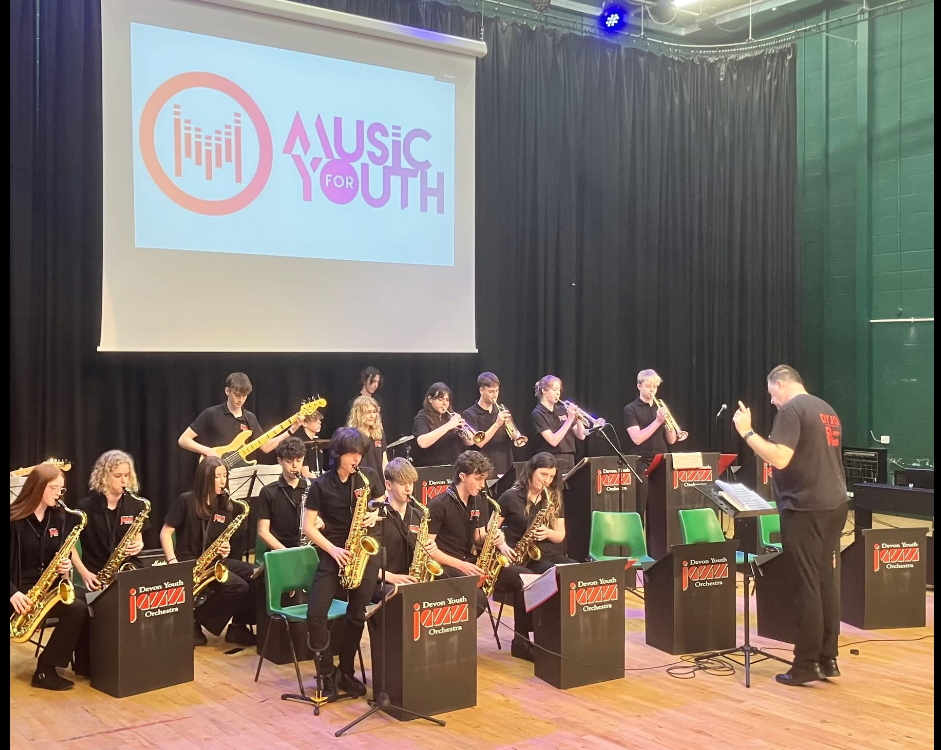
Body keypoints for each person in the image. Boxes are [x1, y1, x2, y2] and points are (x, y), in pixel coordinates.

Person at [733, 365, 849, 687]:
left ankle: (806, 664)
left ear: (781, 384)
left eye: (772, 394)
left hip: (805, 506)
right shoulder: (826, 409)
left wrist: (747, 432)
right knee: (824, 580)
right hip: (835, 504)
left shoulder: (792, 410)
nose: (772, 401)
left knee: (807, 584)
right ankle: (827, 658)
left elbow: (780, 458)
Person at [303, 427, 385, 700]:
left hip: (363, 553)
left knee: (357, 615)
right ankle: (326, 672)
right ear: (338, 454)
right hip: (334, 552)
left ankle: (346, 671)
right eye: (351, 453)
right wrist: (333, 549)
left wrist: (375, 515)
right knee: (316, 613)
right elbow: (308, 526)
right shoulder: (321, 485)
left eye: (359, 453)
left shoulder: (367, 477)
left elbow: (380, 503)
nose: (356, 458)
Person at [426, 451, 532, 661]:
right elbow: (429, 550)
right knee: (479, 599)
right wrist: (461, 565)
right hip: (445, 567)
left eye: (484, 479)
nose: (483, 485)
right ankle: (448, 649)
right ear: (462, 476)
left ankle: (521, 643)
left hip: (470, 562)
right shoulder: (438, 504)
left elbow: (477, 536)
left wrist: (493, 535)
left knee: (524, 578)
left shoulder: (478, 500)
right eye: (478, 479)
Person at [160, 458, 257, 647]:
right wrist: (172, 562)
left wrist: (225, 548)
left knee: (256, 573)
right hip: (189, 561)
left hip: (214, 561)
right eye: (217, 476)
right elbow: (165, 533)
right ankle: (194, 619)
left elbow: (222, 540)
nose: (223, 481)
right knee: (238, 586)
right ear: (205, 478)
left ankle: (237, 627)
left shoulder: (226, 506)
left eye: (225, 476)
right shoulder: (186, 500)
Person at [9, 464, 90, 690]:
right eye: (54, 488)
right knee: (77, 608)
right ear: (38, 487)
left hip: (47, 587)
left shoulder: (58, 518)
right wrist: (13, 593)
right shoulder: (13, 520)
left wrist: (65, 567)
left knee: (85, 604)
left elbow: (61, 555)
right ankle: (47, 669)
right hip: (18, 591)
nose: (59, 494)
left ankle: (67, 666)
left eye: (61, 489)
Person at [495, 452, 575, 659]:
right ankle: (521, 642)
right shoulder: (510, 496)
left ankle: (561, 635)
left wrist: (548, 532)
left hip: (546, 552)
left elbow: (560, 535)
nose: (547, 481)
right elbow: (490, 530)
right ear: (531, 471)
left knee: (574, 571)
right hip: (519, 557)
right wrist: (501, 543)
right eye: (543, 475)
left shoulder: (553, 496)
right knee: (538, 578)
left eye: (551, 477)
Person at [73, 451, 150, 591]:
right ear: (103, 477)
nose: (124, 481)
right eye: (118, 476)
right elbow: (69, 545)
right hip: (97, 575)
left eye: (127, 475)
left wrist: (139, 544)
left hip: (130, 570)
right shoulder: (86, 506)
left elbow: (138, 537)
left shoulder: (136, 504)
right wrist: (83, 572)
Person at [370, 458, 437, 598]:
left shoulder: (419, 515)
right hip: (381, 581)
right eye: (402, 484)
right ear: (388, 485)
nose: (408, 489)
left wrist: (430, 548)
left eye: (411, 483)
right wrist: (391, 577)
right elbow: (365, 563)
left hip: (410, 579)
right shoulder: (376, 517)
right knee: (405, 597)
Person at [623, 369, 678, 519]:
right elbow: (637, 438)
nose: (652, 390)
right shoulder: (630, 409)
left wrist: (668, 423)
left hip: (661, 459)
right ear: (639, 386)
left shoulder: (660, 408)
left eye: (655, 386)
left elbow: (672, 440)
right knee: (640, 506)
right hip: (641, 461)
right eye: (648, 386)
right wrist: (658, 421)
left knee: (660, 507)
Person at [177, 372, 265, 459]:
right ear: (227, 391)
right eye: (237, 395)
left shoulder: (250, 417)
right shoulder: (210, 413)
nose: (240, 400)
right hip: (217, 466)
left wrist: (275, 433)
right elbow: (183, 440)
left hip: (242, 467)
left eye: (244, 396)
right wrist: (207, 451)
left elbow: (265, 447)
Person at [255, 438, 314, 552]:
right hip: (280, 551)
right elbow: (263, 532)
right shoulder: (268, 492)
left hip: (310, 548)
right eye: (289, 461)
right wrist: (287, 553)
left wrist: (321, 524)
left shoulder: (312, 487)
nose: (295, 466)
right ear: (279, 460)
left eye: (299, 460)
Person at [530, 375, 592, 476]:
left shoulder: (563, 409)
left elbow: (581, 436)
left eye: (559, 390)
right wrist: (570, 419)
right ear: (544, 391)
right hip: (551, 460)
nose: (558, 393)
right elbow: (553, 441)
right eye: (554, 389)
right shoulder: (538, 413)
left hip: (569, 458)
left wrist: (578, 419)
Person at [462, 372, 516, 477]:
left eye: (497, 391)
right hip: (482, 467)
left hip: (505, 465)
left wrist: (512, 429)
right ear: (481, 391)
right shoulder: (469, 414)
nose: (495, 395)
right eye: (491, 391)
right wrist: (497, 424)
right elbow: (479, 443)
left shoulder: (502, 409)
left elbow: (514, 436)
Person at [411, 382, 473, 467]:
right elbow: (422, 443)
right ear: (430, 399)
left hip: (453, 466)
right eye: (440, 399)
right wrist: (449, 425)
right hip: (431, 468)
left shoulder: (451, 416)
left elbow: (470, 442)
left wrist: (462, 429)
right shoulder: (422, 417)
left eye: (447, 400)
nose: (445, 403)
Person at [347, 395, 387, 477]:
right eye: (368, 412)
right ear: (358, 413)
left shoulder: (379, 432)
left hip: (378, 480)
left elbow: (384, 460)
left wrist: (387, 479)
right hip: (360, 480)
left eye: (374, 412)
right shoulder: (351, 435)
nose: (372, 416)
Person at [295, 409, 325, 478]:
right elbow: (305, 473)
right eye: (315, 420)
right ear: (304, 423)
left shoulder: (318, 441)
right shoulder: (300, 444)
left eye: (319, 420)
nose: (319, 422)